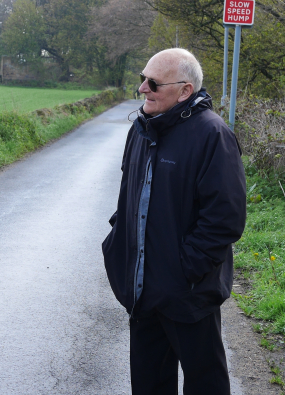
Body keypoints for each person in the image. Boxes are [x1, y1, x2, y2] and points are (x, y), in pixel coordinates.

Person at [102, 48, 247, 395]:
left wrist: (184, 270)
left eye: (153, 83)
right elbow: (128, 198)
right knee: (149, 385)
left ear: (185, 91)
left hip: (189, 296)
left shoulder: (213, 135)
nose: (143, 89)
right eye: (143, 79)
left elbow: (225, 218)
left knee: (205, 385)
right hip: (143, 293)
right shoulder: (140, 130)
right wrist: (119, 243)